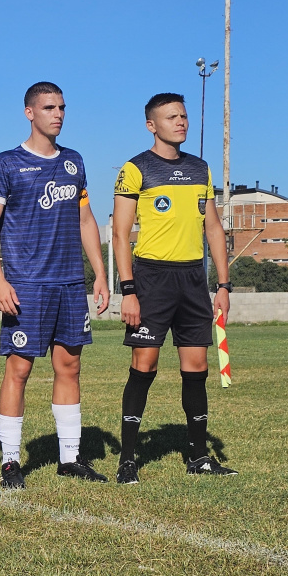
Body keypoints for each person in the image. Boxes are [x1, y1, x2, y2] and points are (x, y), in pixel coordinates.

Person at [0, 81, 110, 489]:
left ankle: (69, 458)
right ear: (29, 112)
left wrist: (101, 274)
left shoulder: (74, 161)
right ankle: (12, 460)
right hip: (26, 285)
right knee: (19, 369)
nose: (58, 114)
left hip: (70, 284)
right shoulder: (6, 163)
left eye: (62, 107)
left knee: (69, 366)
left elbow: (86, 220)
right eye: (49, 107)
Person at [112, 92, 237, 484]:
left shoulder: (201, 169)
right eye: (171, 117)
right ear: (152, 125)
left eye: (183, 116)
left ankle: (198, 457)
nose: (180, 122)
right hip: (151, 280)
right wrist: (127, 289)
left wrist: (223, 284)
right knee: (143, 365)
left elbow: (213, 227)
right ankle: (128, 459)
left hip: (192, 281)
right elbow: (119, 234)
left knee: (196, 367)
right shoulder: (135, 169)